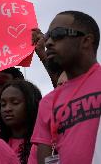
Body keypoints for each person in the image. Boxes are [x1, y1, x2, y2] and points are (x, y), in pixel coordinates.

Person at [31, 11, 101, 164]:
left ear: (86, 41)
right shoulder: (47, 103)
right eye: (48, 36)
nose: (48, 42)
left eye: (58, 34)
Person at [0, 80, 42, 164]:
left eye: (15, 103)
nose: (7, 109)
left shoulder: (42, 144)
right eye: (3, 104)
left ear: (31, 104)